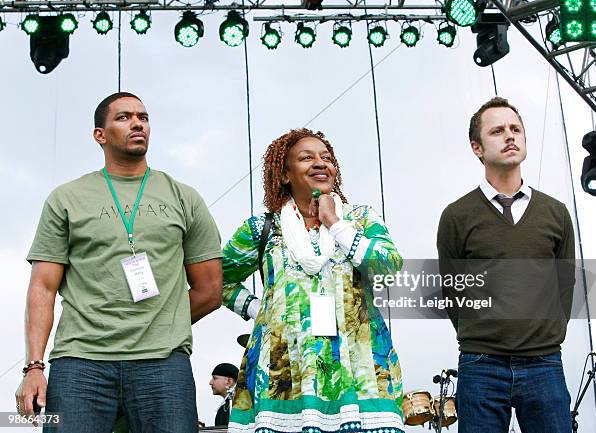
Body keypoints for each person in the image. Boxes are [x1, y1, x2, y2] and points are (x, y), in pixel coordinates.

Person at [14, 92, 223, 433]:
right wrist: (33, 367)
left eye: (143, 116)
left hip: (163, 363)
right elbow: (43, 286)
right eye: (124, 117)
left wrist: (159, 325)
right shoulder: (66, 198)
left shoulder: (184, 196)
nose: (137, 123)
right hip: (80, 362)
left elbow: (210, 290)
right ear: (100, 134)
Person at [221, 128, 405, 433]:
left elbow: (388, 268)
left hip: (362, 375)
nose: (321, 163)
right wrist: (261, 311)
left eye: (327, 158)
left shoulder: (360, 218)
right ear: (284, 174)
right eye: (307, 158)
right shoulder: (262, 228)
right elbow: (217, 281)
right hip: (284, 375)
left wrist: (335, 222)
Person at [436, 96, 575, 433]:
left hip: (544, 364)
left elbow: (566, 285)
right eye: (497, 131)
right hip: (480, 365)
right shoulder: (456, 216)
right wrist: (484, 337)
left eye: (516, 129)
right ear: (477, 147)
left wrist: (544, 336)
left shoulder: (555, 213)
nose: (510, 136)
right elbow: (453, 290)